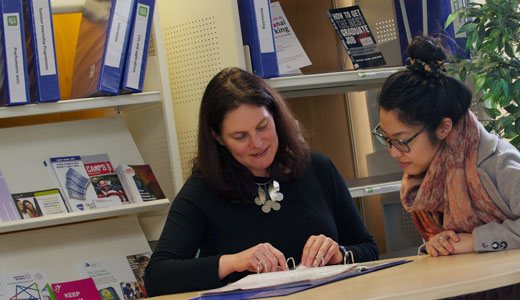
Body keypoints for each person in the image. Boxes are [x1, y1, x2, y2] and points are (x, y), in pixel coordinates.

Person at [374, 35, 520, 299]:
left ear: (443, 128)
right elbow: (455, 244)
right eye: (386, 138)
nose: (394, 152)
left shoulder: (493, 162)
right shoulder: (423, 177)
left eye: (402, 140)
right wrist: (438, 244)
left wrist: (476, 240)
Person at [144, 67, 378, 296]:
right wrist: (233, 262)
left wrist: (339, 253)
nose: (257, 143)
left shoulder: (318, 167)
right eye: (240, 136)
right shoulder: (202, 190)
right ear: (218, 137)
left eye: (262, 127)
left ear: (275, 117)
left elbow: (369, 248)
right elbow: (157, 277)